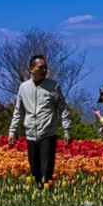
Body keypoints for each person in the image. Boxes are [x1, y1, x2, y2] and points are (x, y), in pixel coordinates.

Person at [8, 55, 73, 185]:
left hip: (48, 134)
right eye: (40, 67)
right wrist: (12, 131)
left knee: (46, 171)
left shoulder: (53, 86)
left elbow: (63, 109)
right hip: (31, 135)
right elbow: (18, 111)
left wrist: (67, 130)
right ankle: (38, 195)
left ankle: (48, 194)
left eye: (45, 67)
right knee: (35, 172)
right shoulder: (24, 87)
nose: (44, 70)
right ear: (31, 69)